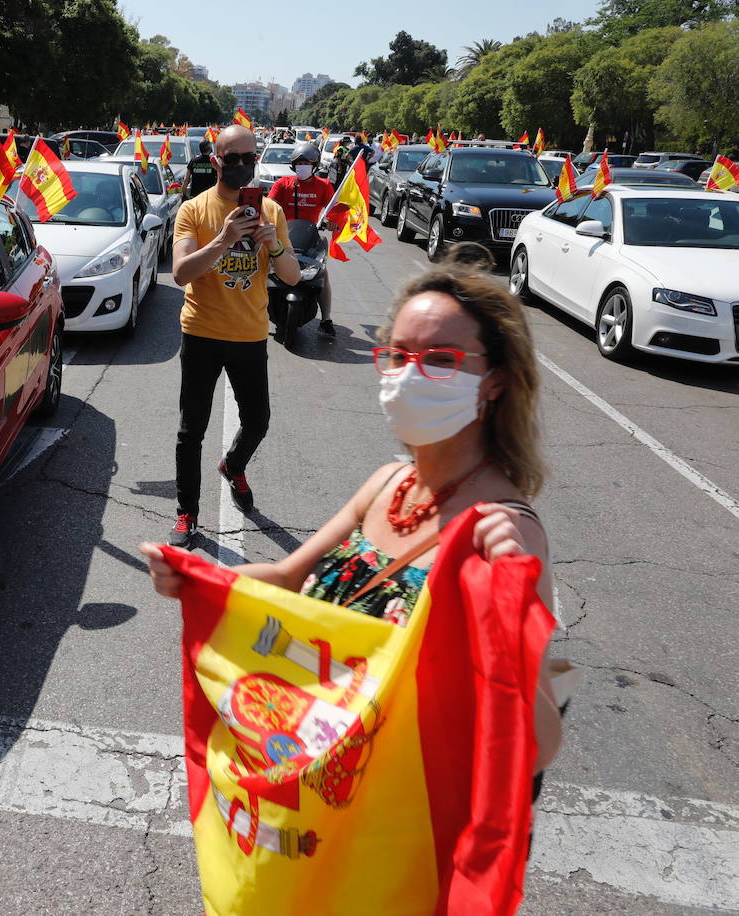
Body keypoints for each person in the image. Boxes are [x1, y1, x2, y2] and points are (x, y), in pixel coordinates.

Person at [141, 251, 563, 767]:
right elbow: (288, 575)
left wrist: (510, 608)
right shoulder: (389, 483)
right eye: (399, 355)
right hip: (325, 785)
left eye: (440, 359)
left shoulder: (505, 530)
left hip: (397, 816)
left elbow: (538, 746)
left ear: (495, 380)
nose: (410, 375)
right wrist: (198, 578)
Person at [168, 125, 302, 547]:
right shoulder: (194, 209)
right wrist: (225, 239)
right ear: (217, 162)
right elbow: (180, 273)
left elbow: (293, 276)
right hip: (202, 333)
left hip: (249, 335)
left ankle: (233, 465)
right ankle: (187, 512)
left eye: (250, 157)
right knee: (192, 431)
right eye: (234, 158)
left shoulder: (272, 211)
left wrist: (274, 247)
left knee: (258, 420)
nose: (243, 165)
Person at [267, 142, 345, 335]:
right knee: (262, 269)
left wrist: (334, 221)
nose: (303, 166)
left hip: (310, 239)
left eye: (307, 163)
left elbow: (334, 211)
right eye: (299, 162)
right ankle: (256, 309)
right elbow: (269, 206)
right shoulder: (282, 184)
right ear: (293, 165)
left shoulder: (324, 186)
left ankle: (326, 318)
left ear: (315, 165)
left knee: (323, 274)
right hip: (283, 237)